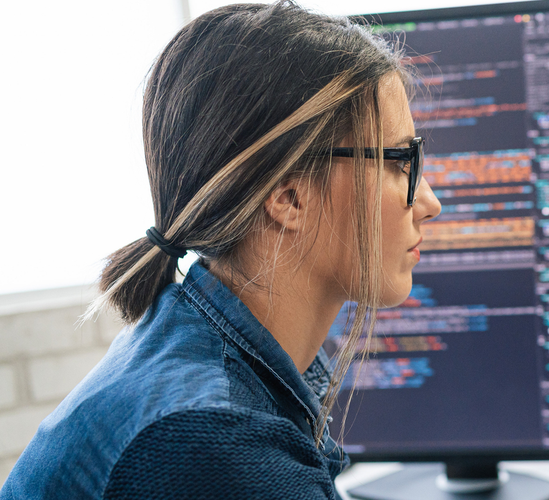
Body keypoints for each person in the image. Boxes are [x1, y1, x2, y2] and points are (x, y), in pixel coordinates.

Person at [0, 2, 440, 498]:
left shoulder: (192, 349)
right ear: (288, 195)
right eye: (401, 161)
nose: (430, 202)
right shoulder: (215, 443)